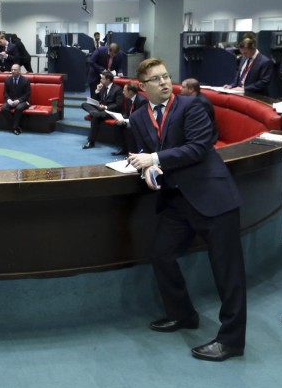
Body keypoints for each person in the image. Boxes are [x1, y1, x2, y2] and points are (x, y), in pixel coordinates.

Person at [128, 57, 247, 362]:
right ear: (143, 88)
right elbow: (144, 152)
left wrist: (154, 159)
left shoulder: (191, 106)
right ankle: (183, 314)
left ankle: (232, 340)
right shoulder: (140, 116)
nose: (165, 82)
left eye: (167, 76)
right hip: (176, 201)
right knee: (161, 254)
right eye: (156, 79)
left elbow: (198, 147)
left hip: (211, 197)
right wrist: (148, 169)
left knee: (227, 272)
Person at [80, 70, 124, 149]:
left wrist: (106, 107)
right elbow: (96, 100)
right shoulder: (103, 87)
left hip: (110, 111)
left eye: (102, 79)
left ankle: (91, 141)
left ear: (108, 80)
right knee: (84, 104)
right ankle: (95, 113)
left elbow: (118, 105)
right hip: (100, 109)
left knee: (95, 117)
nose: (100, 80)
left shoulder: (118, 89)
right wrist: (97, 91)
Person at [1, 63, 31, 135]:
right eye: (12, 70)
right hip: (11, 101)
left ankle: (14, 127)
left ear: (19, 71)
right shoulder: (7, 79)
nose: (13, 71)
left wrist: (18, 101)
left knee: (19, 108)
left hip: (22, 101)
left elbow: (27, 94)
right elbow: (5, 93)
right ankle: (16, 127)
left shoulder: (25, 80)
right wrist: (8, 100)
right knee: (4, 108)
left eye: (15, 70)